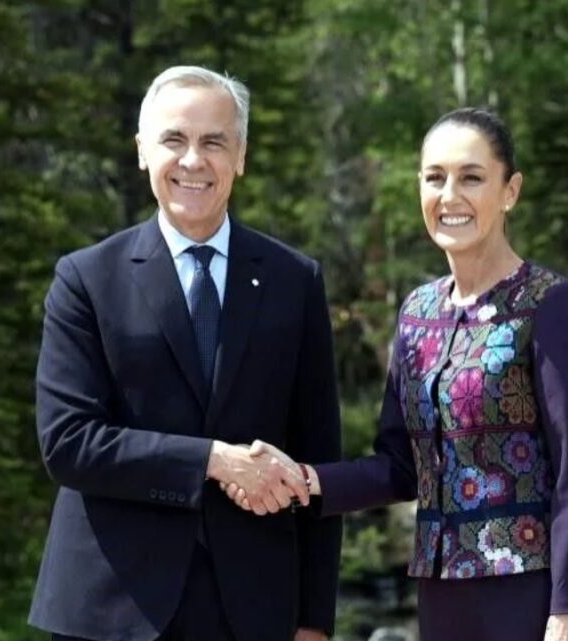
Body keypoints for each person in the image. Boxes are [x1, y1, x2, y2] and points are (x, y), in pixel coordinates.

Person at [226, 107, 568, 641]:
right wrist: (304, 481)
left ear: (510, 191)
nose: (450, 196)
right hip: (440, 593)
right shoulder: (417, 313)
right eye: (435, 178)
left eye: (471, 177)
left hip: (527, 594)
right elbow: (399, 467)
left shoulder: (552, 304)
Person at [28, 65, 342, 641]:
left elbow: (318, 458)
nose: (193, 160)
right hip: (110, 610)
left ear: (240, 156)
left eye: (214, 142)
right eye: (174, 139)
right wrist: (214, 461)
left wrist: (314, 620)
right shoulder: (86, 280)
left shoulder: (294, 280)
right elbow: (69, 443)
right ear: (143, 151)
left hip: (253, 611)